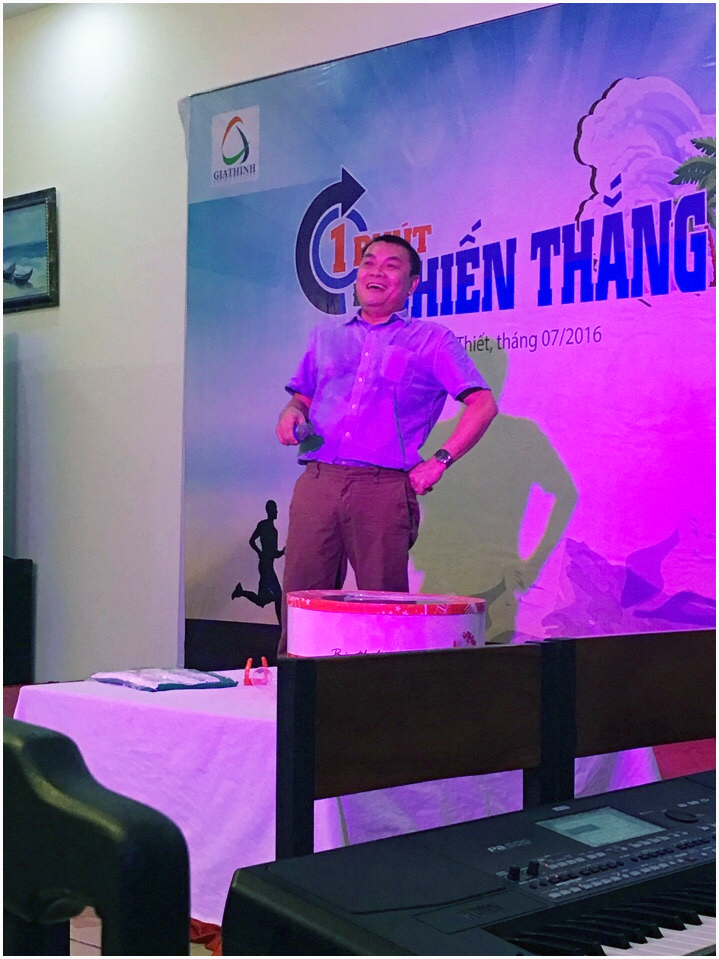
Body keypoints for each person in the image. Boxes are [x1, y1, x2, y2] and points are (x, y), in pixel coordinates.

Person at [276, 233, 498, 654]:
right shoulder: (326, 336)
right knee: (301, 603)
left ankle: (381, 692)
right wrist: (291, 412)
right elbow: (301, 398)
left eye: (391, 265)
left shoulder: (432, 340)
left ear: (412, 285)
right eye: (368, 262)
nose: (376, 271)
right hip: (318, 482)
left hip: (382, 488)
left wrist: (440, 460)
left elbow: (483, 404)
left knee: (383, 608)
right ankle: (295, 690)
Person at [231, 500, 284, 624]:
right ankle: (281, 625)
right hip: (266, 567)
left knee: (262, 600)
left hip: (267, 566)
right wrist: (260, 552)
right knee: (278, 596)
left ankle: (241, 592)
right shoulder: (264, 526)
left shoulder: (273, 530)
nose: (277, 511)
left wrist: (283, 552)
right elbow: (252, 541)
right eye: (275, 509)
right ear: (270, 511)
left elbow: (274, 553)